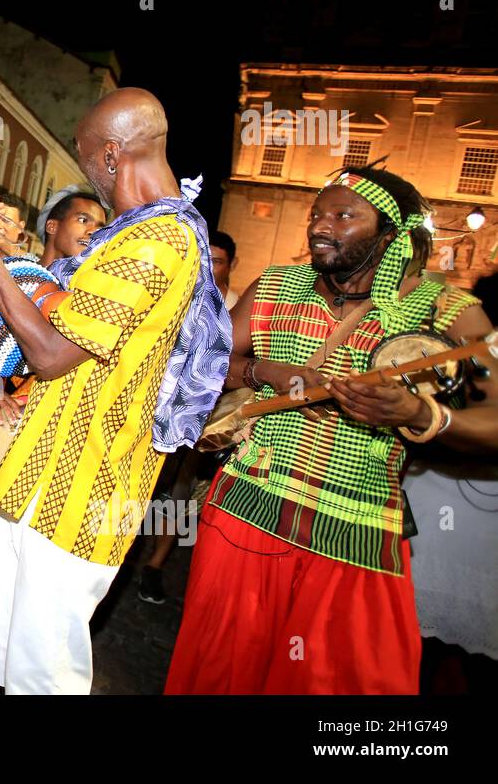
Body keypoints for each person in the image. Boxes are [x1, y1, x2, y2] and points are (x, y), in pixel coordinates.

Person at [165, 166, 498, 694]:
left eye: (344, 216)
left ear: (390, 233)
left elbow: (495, 420)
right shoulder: (276, 284)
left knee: (337, 683)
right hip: (248, 508)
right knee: (220, 669)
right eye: (317, 214)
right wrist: (262, 373)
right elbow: (200, 363)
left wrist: (416, 414)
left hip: (358, 530)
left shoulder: (447, 310)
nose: (321, 226)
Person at [0, 88, 230, 694]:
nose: (90, 181)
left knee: (42, 678)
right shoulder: (137, 234)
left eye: (84, 162)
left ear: (109, 156)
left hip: (87, 494)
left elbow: (49, 354)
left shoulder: (159, 242)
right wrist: (13, 250)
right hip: (42, 474)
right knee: (1, 662)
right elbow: (72, 319)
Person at [0, 191, 106, 691]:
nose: (92, 231)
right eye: (82, 219)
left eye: (101, 224)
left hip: (41, 447)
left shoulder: (85, 290)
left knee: (7, 561)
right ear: (50, 226)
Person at [136, 228, 240, 604]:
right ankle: (124, 556)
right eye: (204, 257)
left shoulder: (239, 308)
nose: (209, 266)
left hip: (208, 419)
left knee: (182, 492)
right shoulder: (177, 294)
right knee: (145, 488)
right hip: (160, 408)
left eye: (219, 260)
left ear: (232, 264)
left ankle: (156, 565)